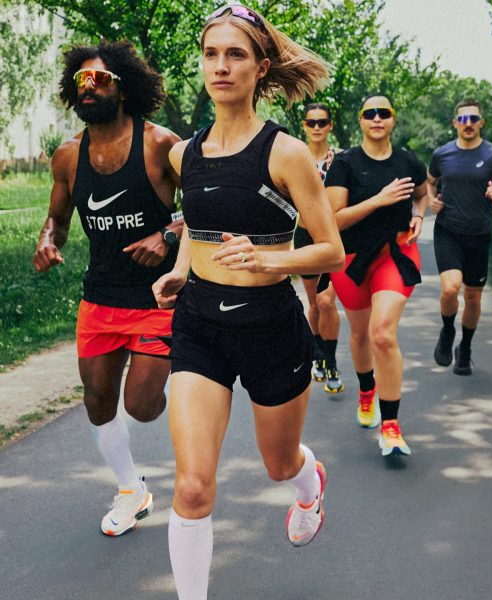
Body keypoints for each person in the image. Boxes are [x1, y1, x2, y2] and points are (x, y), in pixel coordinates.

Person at [150, 5, 343, 598]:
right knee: (191, 487)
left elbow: (330, 250)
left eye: (235, 55)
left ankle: (310, 485)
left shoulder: (286, 153)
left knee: (278, 465)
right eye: (211, 54)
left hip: (270, 327)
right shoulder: (185, 153)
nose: (221, 66)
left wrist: (272, 260)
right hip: (200, 324)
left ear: (261, 68)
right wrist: (182, 270)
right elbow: (197, 226)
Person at [33, 40, 182, 537]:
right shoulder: (68, 156)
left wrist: (166, 235)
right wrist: (48, 242)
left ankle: (183, 374)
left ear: (124, 87)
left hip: (157, 299)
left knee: (141, 405)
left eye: (100, 79)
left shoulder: (160, 144)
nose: (89, 87)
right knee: (98, 399)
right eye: (82, 81)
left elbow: (206, 209)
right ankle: (130, 489)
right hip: (99, 298)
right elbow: (56, 220)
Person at [325, 94, 428, 455]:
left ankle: (391, 425)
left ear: (393, 120)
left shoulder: (408, 161)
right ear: (361, 121)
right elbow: (333, 219)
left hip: (395, 253)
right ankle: (366, 390)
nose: (377, 118)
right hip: (351, 259)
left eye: (384, 112)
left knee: (382, 333)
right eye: (370, 113)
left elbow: (422, 192)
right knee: (360, 334)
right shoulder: (345, 163)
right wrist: (379, 199)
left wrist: (417, 214)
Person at [427, 99, 492, 375]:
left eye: (473, 119)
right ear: (455, 123)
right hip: (448, 231)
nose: (468, 123)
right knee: (450, 288)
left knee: (472, 298)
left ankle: (466, 348)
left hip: (478, 235)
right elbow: (430, 181)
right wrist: (431, 201)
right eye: (462, 119)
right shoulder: (442, 154)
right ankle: (447, 333)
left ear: (481, 122)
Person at [296, 102, 344, 392]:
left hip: (332, 237)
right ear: (304, 125)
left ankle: (331, 359)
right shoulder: (294, 156)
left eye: (322, 122)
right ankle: (316, 353)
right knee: (314, 303)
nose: (316, 127)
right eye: (311, 122)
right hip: (304, 236)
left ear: (330, 126)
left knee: (327, 302)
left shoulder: (340, 160)